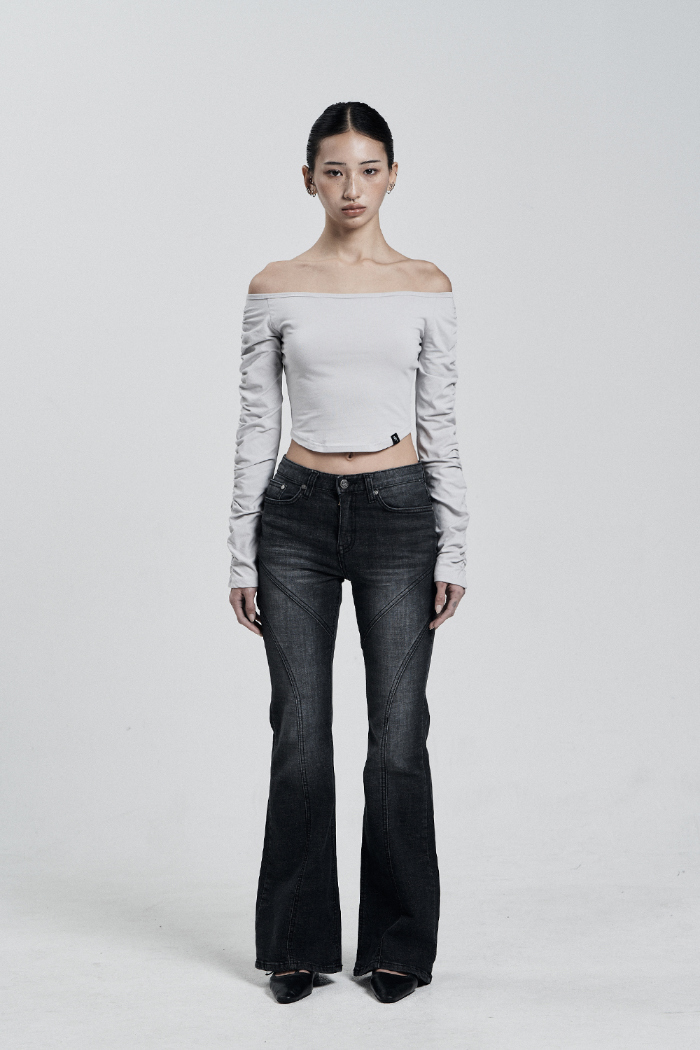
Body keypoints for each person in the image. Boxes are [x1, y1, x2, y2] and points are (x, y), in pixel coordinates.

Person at [227, 101, 469, 1005]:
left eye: (369, 169)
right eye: (335, 171)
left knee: (398, 736)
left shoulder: (425, 285)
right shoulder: (276, 286)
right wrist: (241, 551)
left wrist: (455, 543)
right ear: (309, 180)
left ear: (393, 175)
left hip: (399, 516)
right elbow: (257, 422)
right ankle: (296, 943)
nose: (352, 188)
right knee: (299, 733)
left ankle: (398, 944)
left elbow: (441, 420)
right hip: (293, 517)